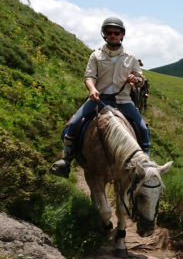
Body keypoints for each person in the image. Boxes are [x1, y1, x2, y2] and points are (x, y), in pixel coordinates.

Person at [50, 17, 150, 178]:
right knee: (74, 124)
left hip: (123, 101)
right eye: (108, 33)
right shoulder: (95, 56)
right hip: (98, 99)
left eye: (116, 33)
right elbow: (89, 76)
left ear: (122, 35)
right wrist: (92, 89)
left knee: (143, 129)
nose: (112, 35)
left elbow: (141, 79)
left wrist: (136, 79)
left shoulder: (130, 58)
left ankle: (145, 163)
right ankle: (66, 160)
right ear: (104, 34)